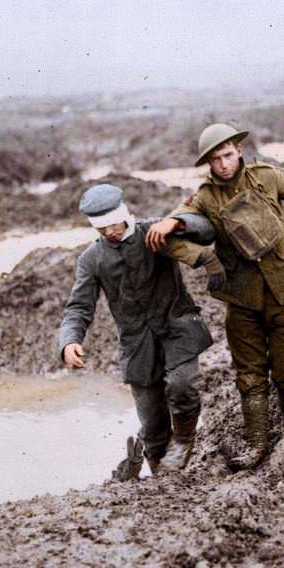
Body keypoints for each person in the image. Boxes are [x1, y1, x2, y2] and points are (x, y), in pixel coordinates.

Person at [145, 123, 284, 470]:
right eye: (216, 159)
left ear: (239, 151)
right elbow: (167, 236)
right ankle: (257, 442)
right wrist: (202, 254)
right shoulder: (205, 198)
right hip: (242, 296)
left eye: (228, 155)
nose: (224, 164)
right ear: (208, 164)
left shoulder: (268, 177)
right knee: (250, 373)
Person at [58, 183, 223, 477]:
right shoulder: (92, 259)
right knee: (152, 423)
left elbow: (206, 229)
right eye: (101, 229)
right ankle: (162, 478)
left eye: (112, 224)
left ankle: (185, 438)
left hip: (178, 328)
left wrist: (176, 221)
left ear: (124, 214)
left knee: (182, 386)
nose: (109, 233)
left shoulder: (153, 231)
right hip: (137, 345)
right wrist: (70, 341)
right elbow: (78, 307)